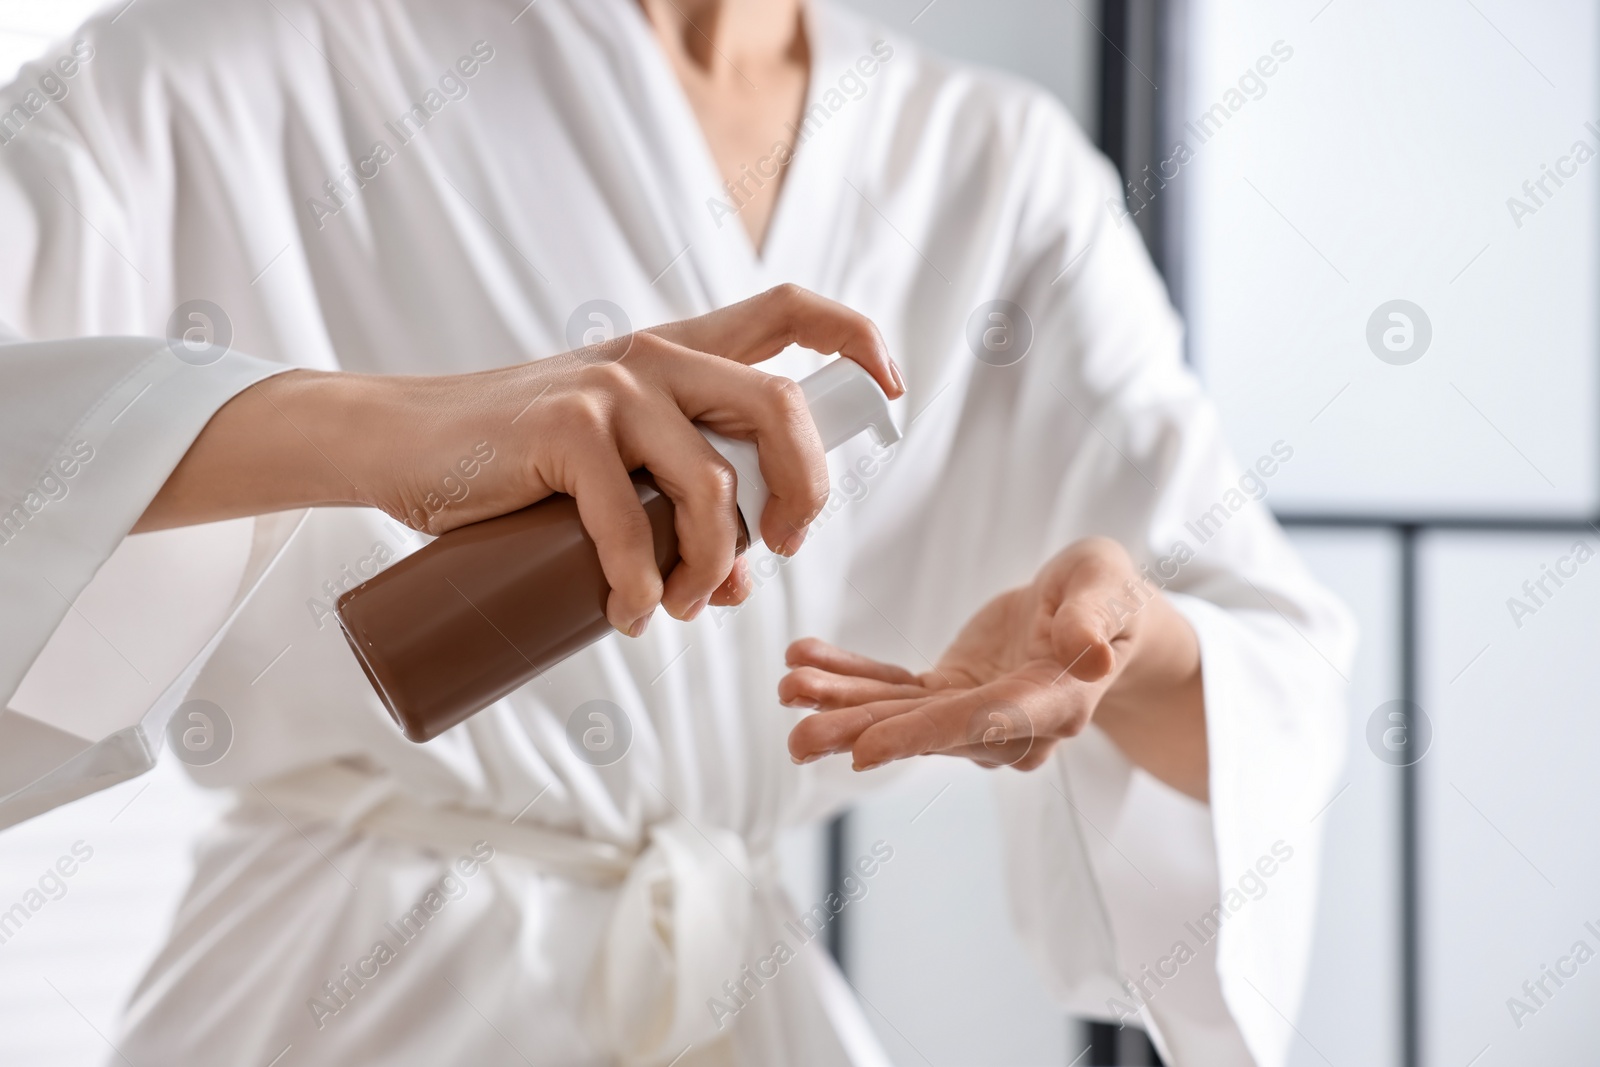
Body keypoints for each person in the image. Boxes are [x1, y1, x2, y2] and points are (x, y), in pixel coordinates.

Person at [0, 1, 1355, 1065]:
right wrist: (390, 432)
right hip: (337, 997)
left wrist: (1121, 643)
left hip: (739, 983)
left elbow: (1254, 653)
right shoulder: (235, 58)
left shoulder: (995, 167)